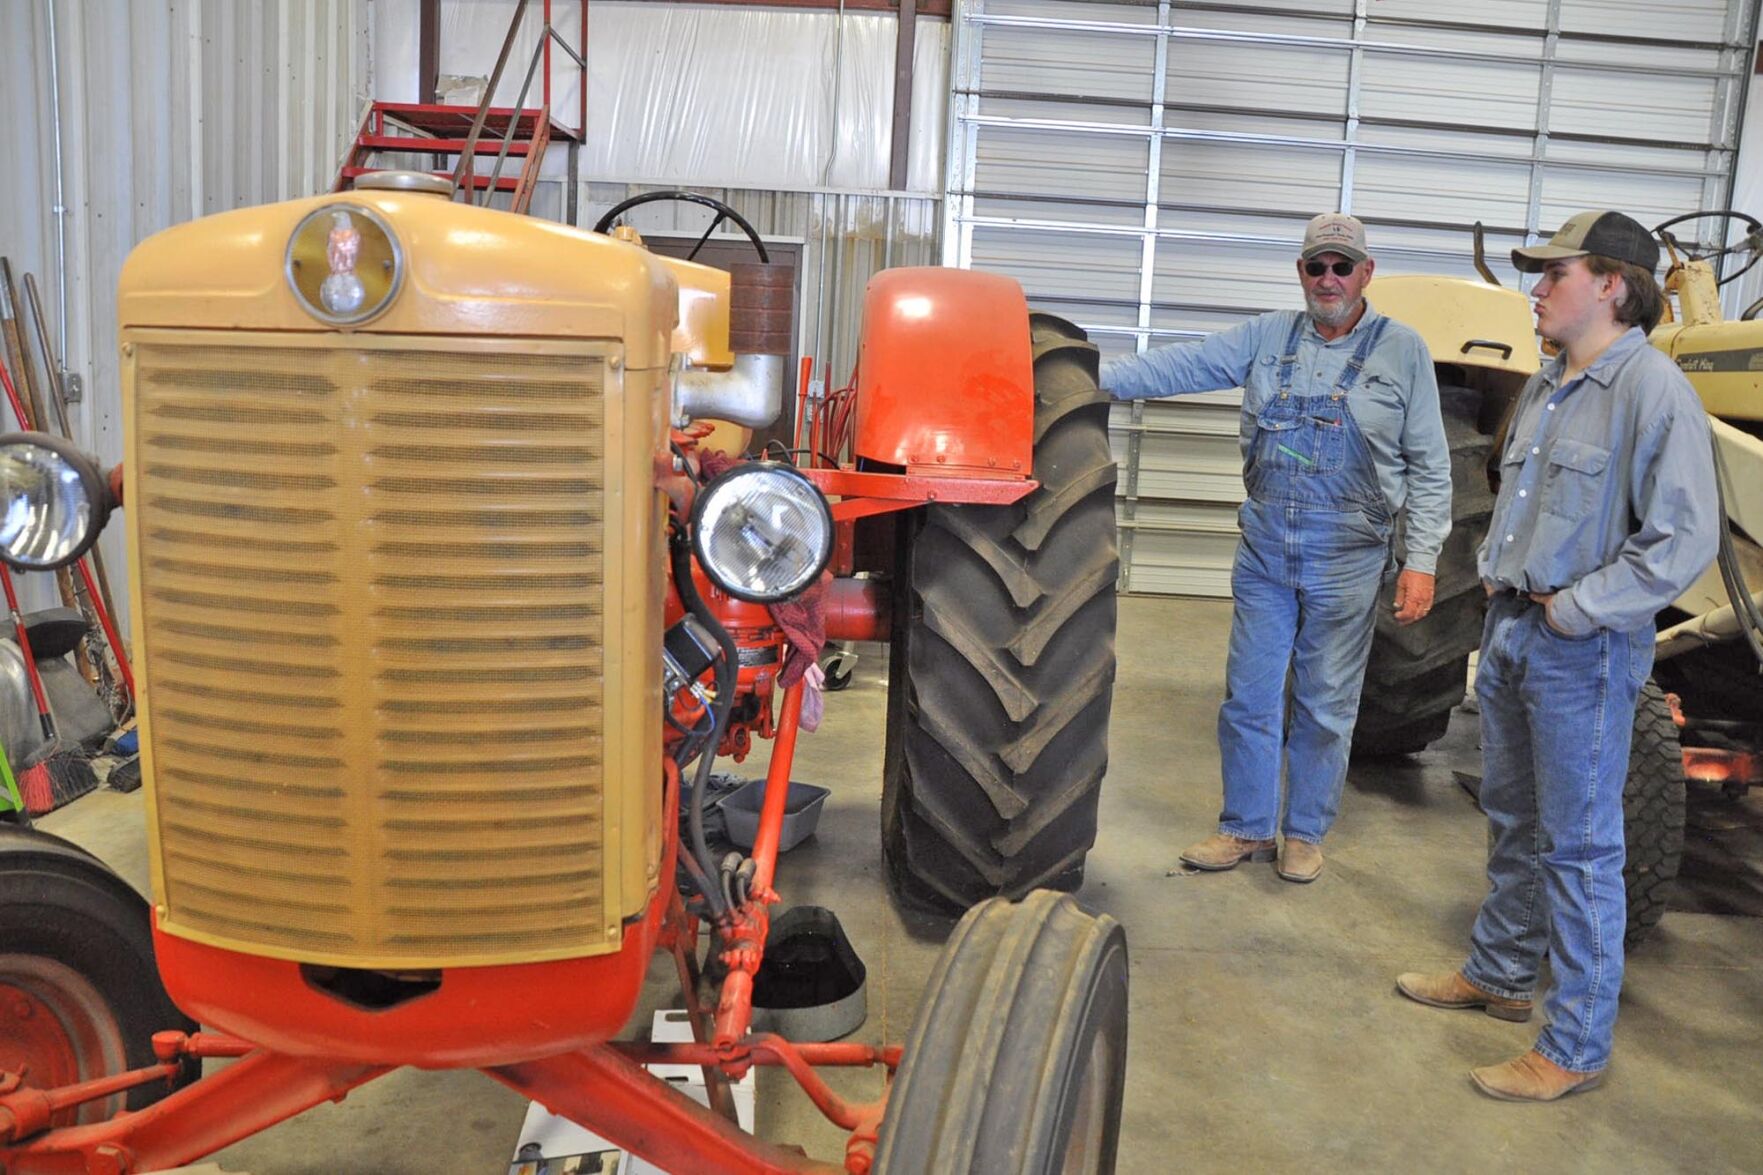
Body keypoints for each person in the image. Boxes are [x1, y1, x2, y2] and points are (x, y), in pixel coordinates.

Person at [1395, 210, 1718, 1101]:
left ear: (1611, 284)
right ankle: (1499, 972)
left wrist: (1578, 609)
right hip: (1511, 629)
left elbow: (1681, 537)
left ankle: (1574, 1046)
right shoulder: (1547, 385)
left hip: (1581, 646)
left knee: (1578, 849)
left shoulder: (1651, 390)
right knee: (1512, 818)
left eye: (1553, 274)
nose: (1535, 290)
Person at [1103, 213, 1450, 883]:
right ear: (1300, 272)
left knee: (1324, 703)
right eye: (1315, 265)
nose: (1327, 278)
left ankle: (1303, 831)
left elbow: (1430, 465)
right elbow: (1184, 362)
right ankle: (1246, 827)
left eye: (1340, 266)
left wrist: (1422, 560)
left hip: (1348, 556)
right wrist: (1093, 376)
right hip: (1264, 551)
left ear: (1365, 274)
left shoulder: (1402, 350)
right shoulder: (1266, 336)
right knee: (1250, 696)